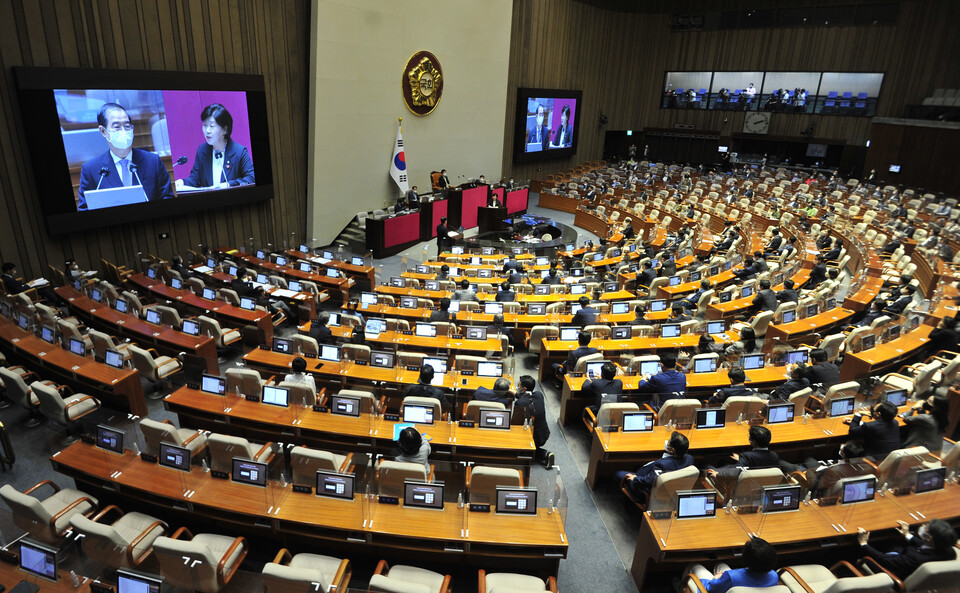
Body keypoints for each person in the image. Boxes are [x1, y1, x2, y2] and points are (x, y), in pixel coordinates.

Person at [78, 102, 175, 209]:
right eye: (117, 127)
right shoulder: (91, 170)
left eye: (127, 126)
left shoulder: (153, 161)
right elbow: (85, 209)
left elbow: (168, 200)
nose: (123, 131)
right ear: (103, 131)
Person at [177, 103, 255, 191]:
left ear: (225, 129)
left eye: (212, 126)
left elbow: (252, 178)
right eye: (205, 125)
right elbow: (195, 179)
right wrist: (181, 182)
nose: (207, 131)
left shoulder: (239, 152)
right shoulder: (202, 150)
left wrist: (228, 185)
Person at [857, 519, 958, 581]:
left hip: (892, 572)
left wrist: (864, 544)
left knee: (858, 553)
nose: (923, 527)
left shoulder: (914, 558)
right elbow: (928, 546)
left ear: (929, 537)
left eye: (926, 527)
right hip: (905, 563)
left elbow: (885, 560)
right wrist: (907, 535)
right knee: (893, 543)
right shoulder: (949, 551)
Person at [615, 431, 694, 504]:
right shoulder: (690, 458)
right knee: (637, 467)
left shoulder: (661, 465)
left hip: (646, 490)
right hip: (673, 490)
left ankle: (629, 502)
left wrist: (634, 478)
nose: (667, 442)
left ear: (672, 450)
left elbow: (649, 481)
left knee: (618, 474)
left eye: (668, 442)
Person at [685, 537, 779, 593]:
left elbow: (711, 588)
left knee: (694, 566)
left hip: (719, 588)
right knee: (720, 564)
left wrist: (716, 578)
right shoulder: (774, 576)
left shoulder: (732, 577)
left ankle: (680, 587)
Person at [515, 375, 554, 467]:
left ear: (524, 388)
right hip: (544, 434)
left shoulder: (519, 403)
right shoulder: (539, 395)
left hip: (532, 437)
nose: (517, 387)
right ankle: (544, 454)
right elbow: (527, 398)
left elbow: (515, 423)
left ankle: (543, 454)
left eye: (519, 385)